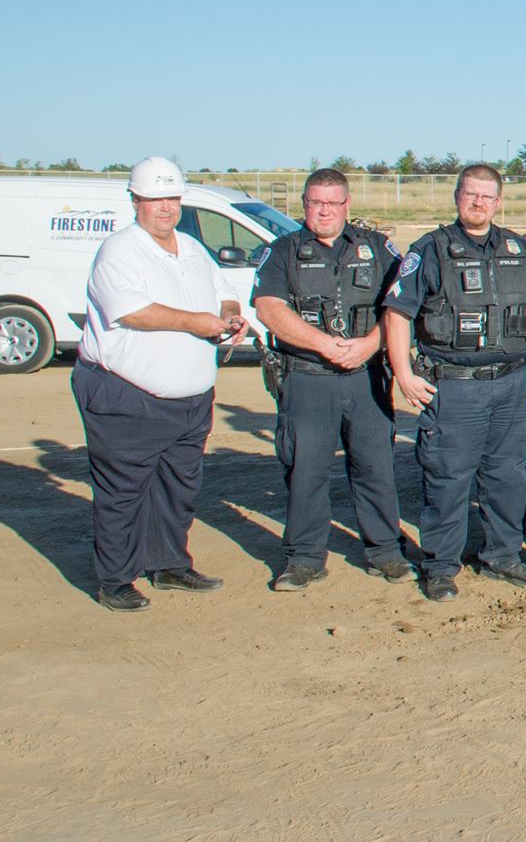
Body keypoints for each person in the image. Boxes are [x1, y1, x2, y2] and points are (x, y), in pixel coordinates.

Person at [73, 156, 252, 610]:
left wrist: (231, 315)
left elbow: (224, 292)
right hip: (127, 396)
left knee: (178, 488)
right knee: (123, 493)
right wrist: (196, 321)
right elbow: (132, 311)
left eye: (172, 197)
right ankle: (116, 579)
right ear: (135, 200)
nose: (166, 207)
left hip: (190, 400)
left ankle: (169, 563)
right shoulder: (119, 251)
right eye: (155, 199)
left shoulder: (191, 248)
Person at [383, 164, 526, 602]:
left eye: (486, 196)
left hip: (512, 384)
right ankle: (441, 565)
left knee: (507, 475)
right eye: (470, 194)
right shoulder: (431, 250)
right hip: (455, 386)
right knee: (448, 477)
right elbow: (397, 313)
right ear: (457, 197)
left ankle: (503, 555)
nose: (478, 203)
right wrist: (403, 373)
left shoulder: (519, 249)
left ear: (498, 202)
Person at [252, 168, 406, 591]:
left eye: (333, 203)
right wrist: (323, 344)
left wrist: (371, 344)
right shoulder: (283, 250)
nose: (324, 211)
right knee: (306, 471)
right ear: (304, 204)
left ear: (346, 204)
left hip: (366, 376)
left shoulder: (377, 248)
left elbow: (401, 305)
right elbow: (269, 308)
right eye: (316, 203)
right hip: (308, 378)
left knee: (375, 468)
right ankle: (304, 558)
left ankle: (385, 551)